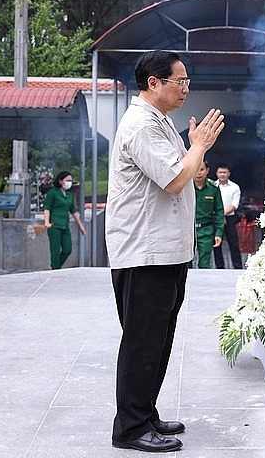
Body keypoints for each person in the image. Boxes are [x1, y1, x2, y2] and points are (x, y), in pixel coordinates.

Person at [105, 50, 224, 452]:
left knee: (159, 338)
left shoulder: (161, 123)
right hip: (145, 252)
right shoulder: (141, 125)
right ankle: (131, 428)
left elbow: (186, 169)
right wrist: (200, 145)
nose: (186, 88)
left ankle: (145, 412)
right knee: (142, 341)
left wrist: (195, 147)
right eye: (179, 81)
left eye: (187, 81)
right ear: (153, 83)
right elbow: (175, 180)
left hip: (167, 251)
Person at [43, 171, 86, 269]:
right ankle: (55, 270)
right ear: (60, 181)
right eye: (67, 180)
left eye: (71, 180)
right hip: (54, 225)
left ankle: (53, 267)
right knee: (55, 250)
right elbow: (47, 208)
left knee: (67, 249)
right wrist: (46, 222)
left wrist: (81, 226)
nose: (69, 183)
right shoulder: (53, 193)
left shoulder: (70, 195)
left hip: (65, 225)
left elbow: (74, 211)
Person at [194, 160, 224, 268]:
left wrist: (218, 233)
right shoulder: (185, 187)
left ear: (207, 170)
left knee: (204, 263)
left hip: (206, 230)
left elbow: (219, 211)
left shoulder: (213, 188)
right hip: (188, 230)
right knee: (185, 265)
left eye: (201, 169)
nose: (198, 173)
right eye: (196, 169)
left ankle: (202, 285)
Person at [213, 163, 243, 269]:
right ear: (216, 173)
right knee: (217, 243)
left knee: (233, 243)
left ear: (229, 173)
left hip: (230, 218)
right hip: (216, 218)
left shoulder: (235, 187)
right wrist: (219, 216)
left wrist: (222, 214)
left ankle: (238, 267)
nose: (222, 175)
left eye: (224, 172)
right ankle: (219, 267)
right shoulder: (213, 186)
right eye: (220, 172)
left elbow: (234, 204)